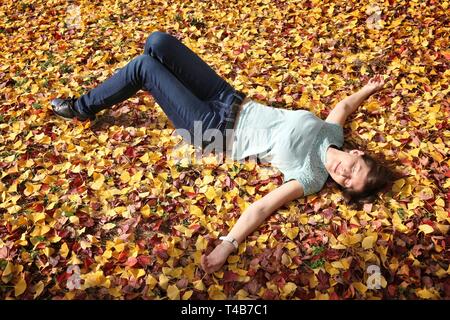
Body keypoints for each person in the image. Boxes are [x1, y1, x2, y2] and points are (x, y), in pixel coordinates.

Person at [51, 31, 393, 274]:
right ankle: (130, 87)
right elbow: (344, 105)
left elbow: (262, 207)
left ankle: (82, 107)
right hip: (230, 99)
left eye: (348, 184)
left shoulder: (311, 176)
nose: (343, 176)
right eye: (353, 170)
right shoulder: (332, 132)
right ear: (358, 153)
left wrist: (226, 244)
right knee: (158, 43)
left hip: (213, 130)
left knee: (144, 67)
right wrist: (369, 87)